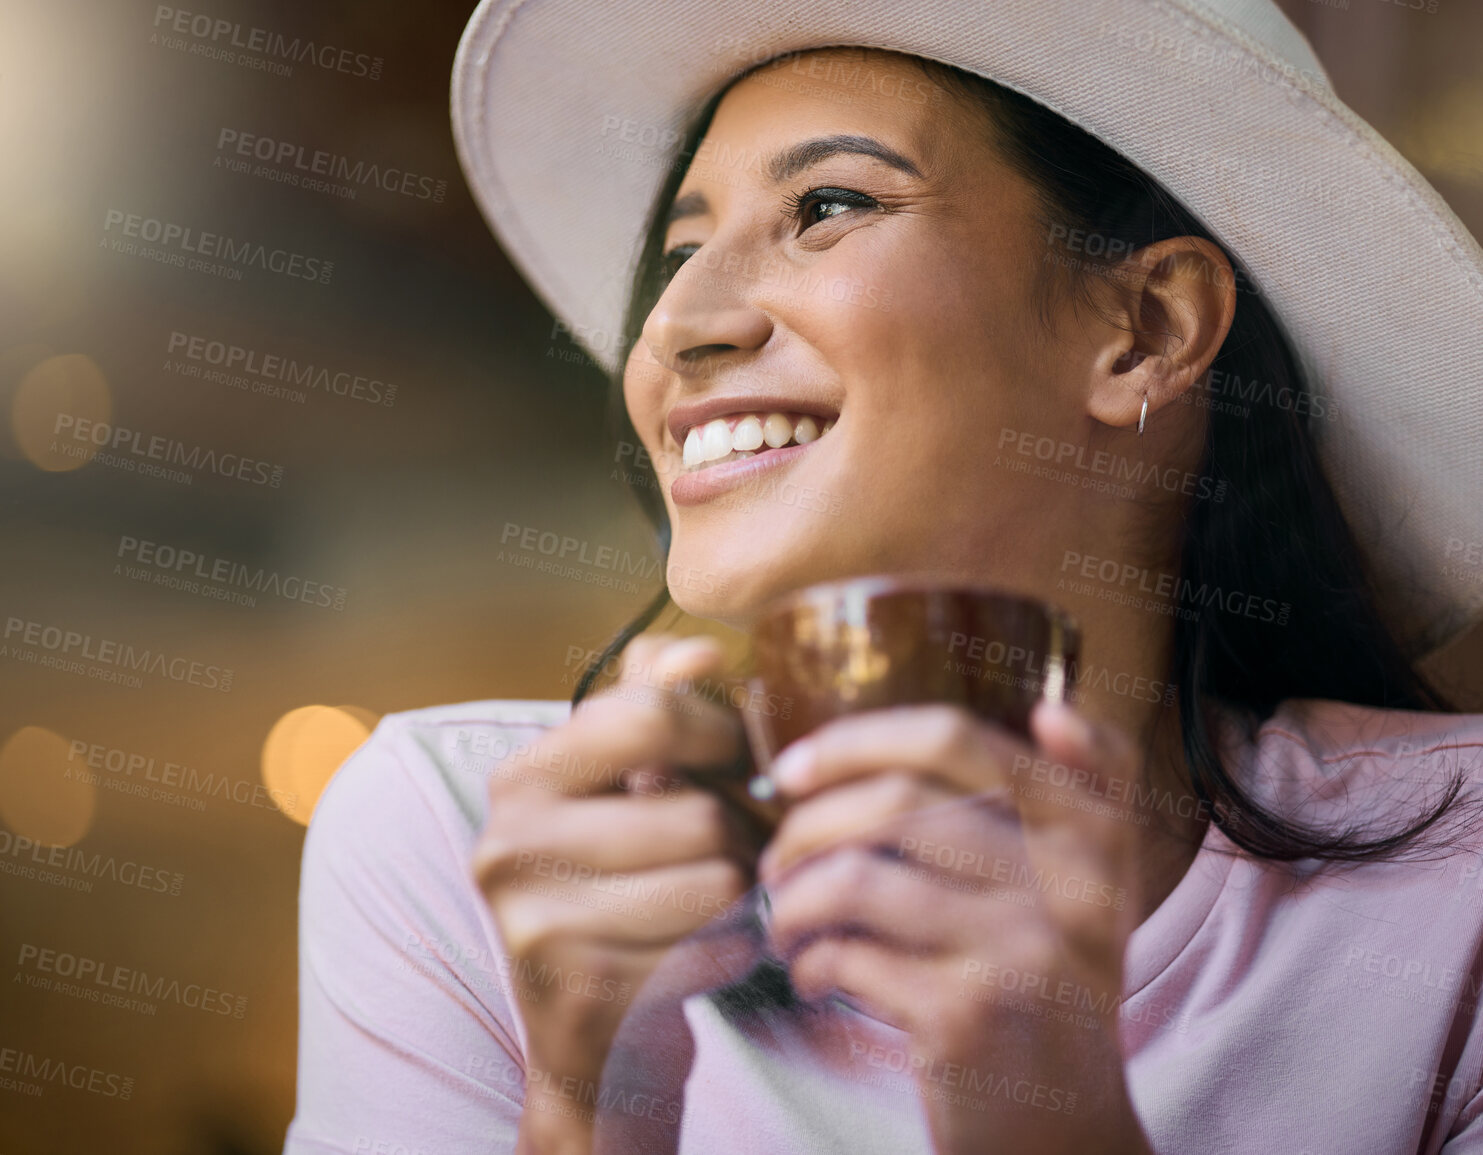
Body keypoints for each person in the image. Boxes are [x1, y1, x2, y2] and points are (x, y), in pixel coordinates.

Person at [284, 2, 1483, 1152]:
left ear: (1150, 329)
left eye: (828, 205)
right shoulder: (451, 838)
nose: (673, 326)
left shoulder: (1458, 900)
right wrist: (589, 1112)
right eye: (678, 252)